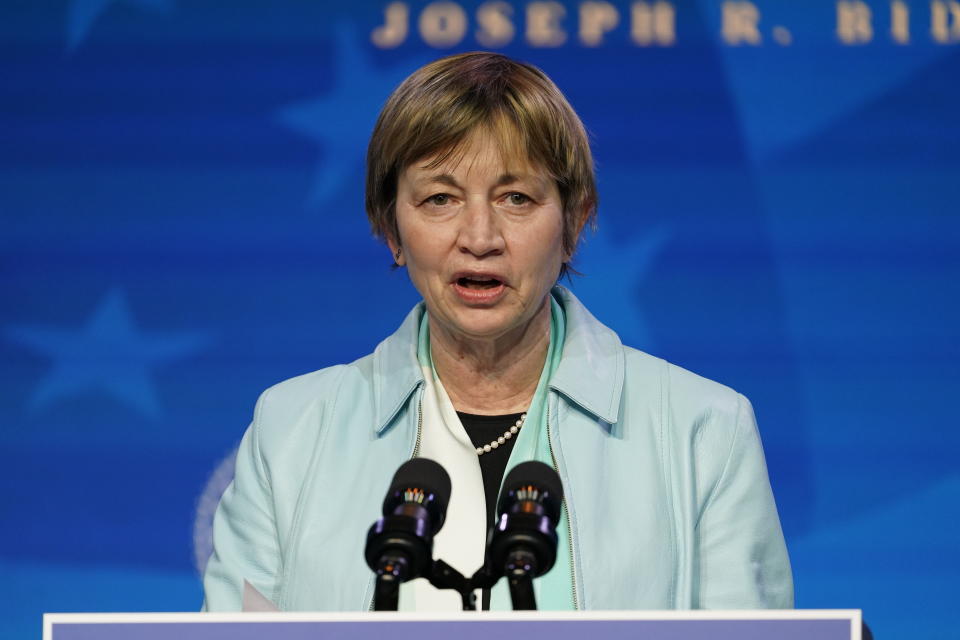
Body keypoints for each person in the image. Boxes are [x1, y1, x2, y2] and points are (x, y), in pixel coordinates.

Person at [202, 52, 793, 612]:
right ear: (390, 227)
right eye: (440, 198)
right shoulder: (293, 431)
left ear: (574, 220)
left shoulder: (702, 430)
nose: (479, 236)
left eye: (516, 197)